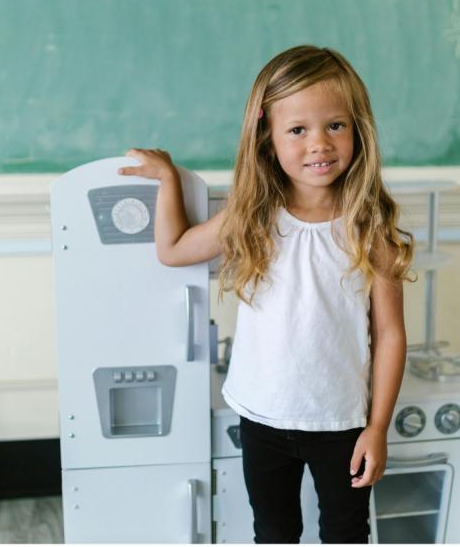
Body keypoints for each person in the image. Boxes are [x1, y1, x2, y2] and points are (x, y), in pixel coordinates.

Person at [118, 45, 415, 544]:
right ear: (268, 138)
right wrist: (169, 179)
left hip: (341, 421)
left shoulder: (370, 229)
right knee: (273, 533)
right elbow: (173, 249)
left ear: (359, 131)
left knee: (346, 533)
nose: (319, 143)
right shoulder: (253, 214)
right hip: (261, 416)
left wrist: (378, 426)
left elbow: (390, 336)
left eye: (335, 126)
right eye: (298, 130)